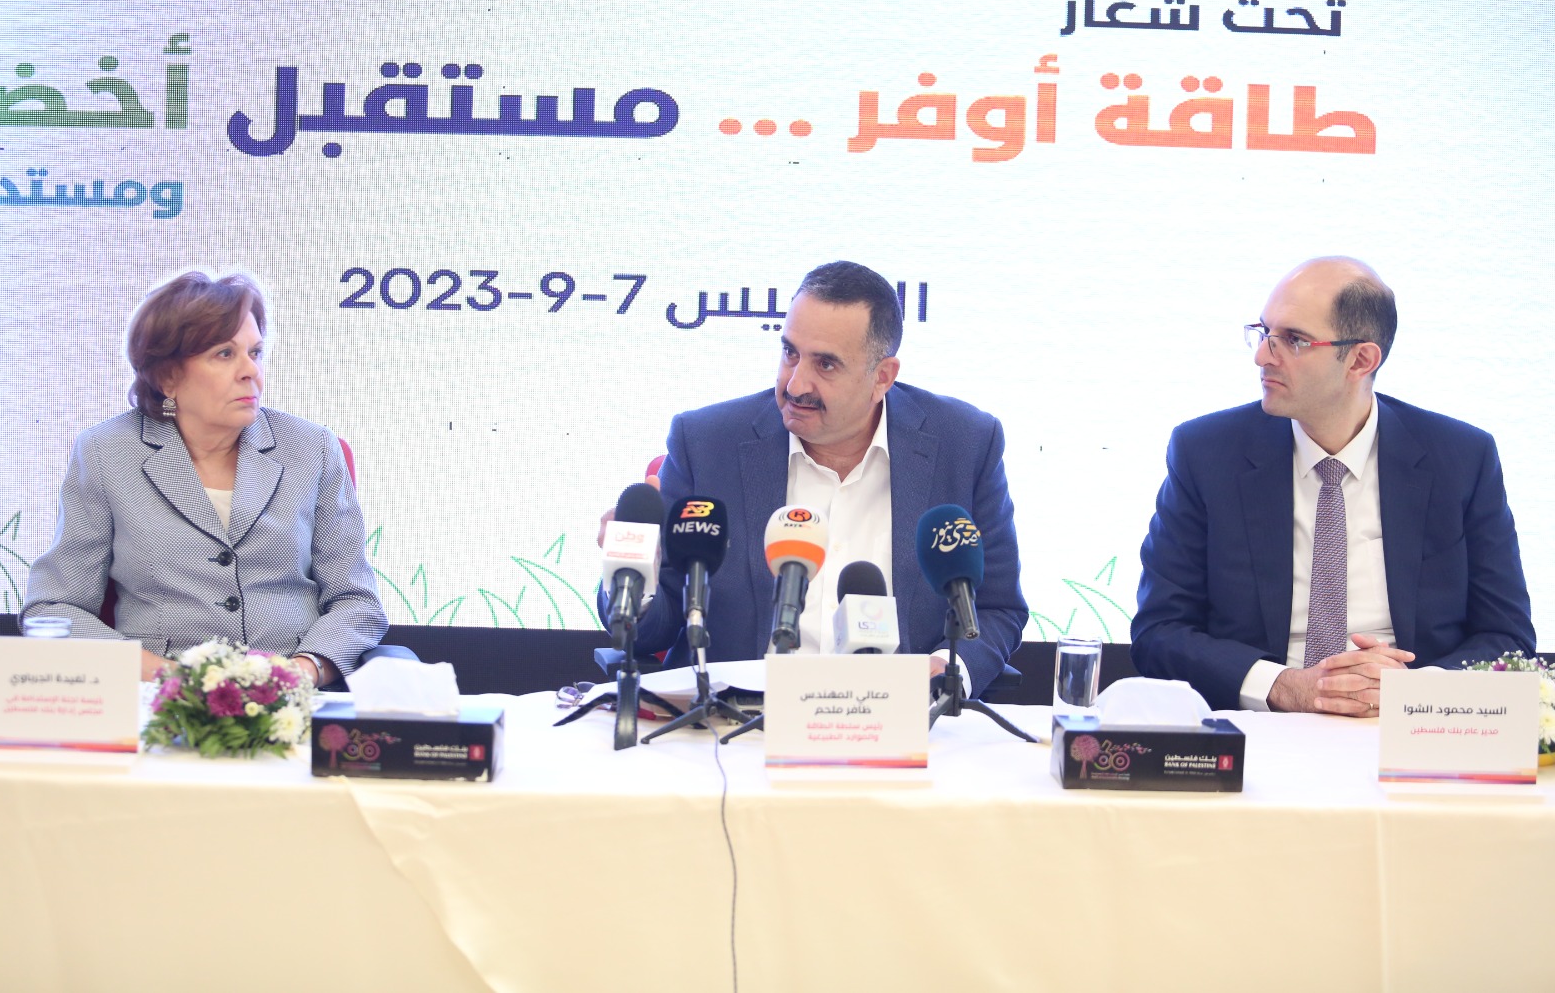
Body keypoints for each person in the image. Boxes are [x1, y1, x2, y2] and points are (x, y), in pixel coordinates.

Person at [602, 261, 1028, 697]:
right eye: (790, 353)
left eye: (825, 364)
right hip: (734, 719)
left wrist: (946, 671)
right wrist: (634, 573)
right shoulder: (706, 442)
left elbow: (997, 608)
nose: (795, 384)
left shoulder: (965, 444)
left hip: (896, 717)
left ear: (882, 377)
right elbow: (652, 629)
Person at [1131, 256, 1535, 714]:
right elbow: (1159, 633)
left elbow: (1508, 638)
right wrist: (1285, 686)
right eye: (1263, 332)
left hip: (1413, 729)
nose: (1262, 356)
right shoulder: (1206, 453)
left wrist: (1413, 695)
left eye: (1293, 340)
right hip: (1263, 725)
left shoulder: (1460, 458)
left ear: (1361, 360)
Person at [22, 271, 386, 685]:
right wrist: (168, 676)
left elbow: (356, 601)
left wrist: (299, 671)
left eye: (255, 352)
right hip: (161, 696)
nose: (250, 371)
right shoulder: (107, 452)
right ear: (167, 376)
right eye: (225, 354)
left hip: (289, 692)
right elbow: (54, 608)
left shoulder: (311, 448)